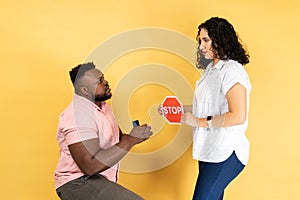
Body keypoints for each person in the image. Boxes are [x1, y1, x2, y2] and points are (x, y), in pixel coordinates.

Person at [159, 17, 251, 199]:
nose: (201, 46)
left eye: (206, 40)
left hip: (226, 152)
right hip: (209, 151)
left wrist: (199, 122)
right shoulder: (210, 71)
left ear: (221, 39)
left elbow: (237, 115)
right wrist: (175, 109)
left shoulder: (232, 70)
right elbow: (204, 108)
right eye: (200, 41)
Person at [54, 62, 152, 200]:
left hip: (98, 180)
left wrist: (134, 135)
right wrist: (130, 140)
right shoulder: (78, 114)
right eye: (99, 81)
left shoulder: (104, 108)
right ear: (84, 90)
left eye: (103, 78)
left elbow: (119, 139)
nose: (105, 82)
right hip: (77, 183)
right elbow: (90, 166)